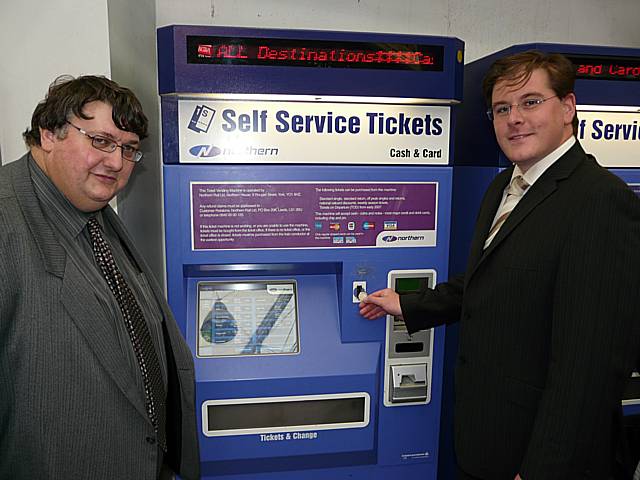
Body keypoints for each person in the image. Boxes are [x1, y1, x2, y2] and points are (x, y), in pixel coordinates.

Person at [360, 51, 640, 480]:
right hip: (488, 440)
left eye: (531, 102)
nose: (515, 119)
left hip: (538, 455)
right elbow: (488, 282)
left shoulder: (600, 201)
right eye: (502, 108)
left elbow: (590, 366)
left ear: (567, 108)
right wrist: (411, 304)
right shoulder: (504, 186)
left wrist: (542, 469)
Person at [0, 75, 200, 479]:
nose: (116, 162)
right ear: (49, 134)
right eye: (101, 141)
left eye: (128, 149)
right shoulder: (7, 218)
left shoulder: (92, 214)